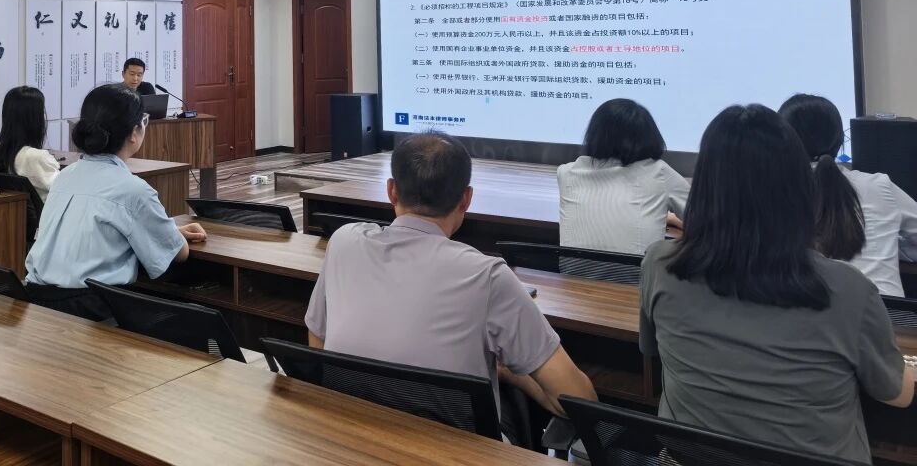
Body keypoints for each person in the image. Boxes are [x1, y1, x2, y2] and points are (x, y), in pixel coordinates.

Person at [640, 105, 913, 463]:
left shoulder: (659, 263)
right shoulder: (848, 289)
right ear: (801, 189)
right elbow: (897, 394)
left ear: (703, 186)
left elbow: (650, 350)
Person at [306, 131, 596, 439]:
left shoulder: (343, 242)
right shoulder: (488, 277)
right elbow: (580, 402)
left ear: (392, 191)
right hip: (457, 452)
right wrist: (512, 374)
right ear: (466, 199)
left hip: (353, 438)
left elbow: (317, 340)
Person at [25, 84, 206, 318]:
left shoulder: (65, 176)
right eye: (144, 121)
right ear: (133, 133)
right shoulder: (133, 189)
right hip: (90, 308)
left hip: (35, 297)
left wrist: (165, 228)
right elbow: (178, 253)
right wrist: (169, 234)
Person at [780, 93, 917, 296]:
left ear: (782, 143)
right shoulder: (878, 185)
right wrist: (887, 240)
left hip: (812, 310)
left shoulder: (773, 193)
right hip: (889, 311)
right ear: (840, 140)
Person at [557, 99, 690, 254]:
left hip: (573, 270)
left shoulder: (566, 173)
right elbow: (705, 221)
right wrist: (673, 219)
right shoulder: (659, 173)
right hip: (637, 271)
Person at [0, 86, 58, 202]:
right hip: (47, 213)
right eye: (42, 111)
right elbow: (66, 190)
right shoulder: (37, 157)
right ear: (34, 118)